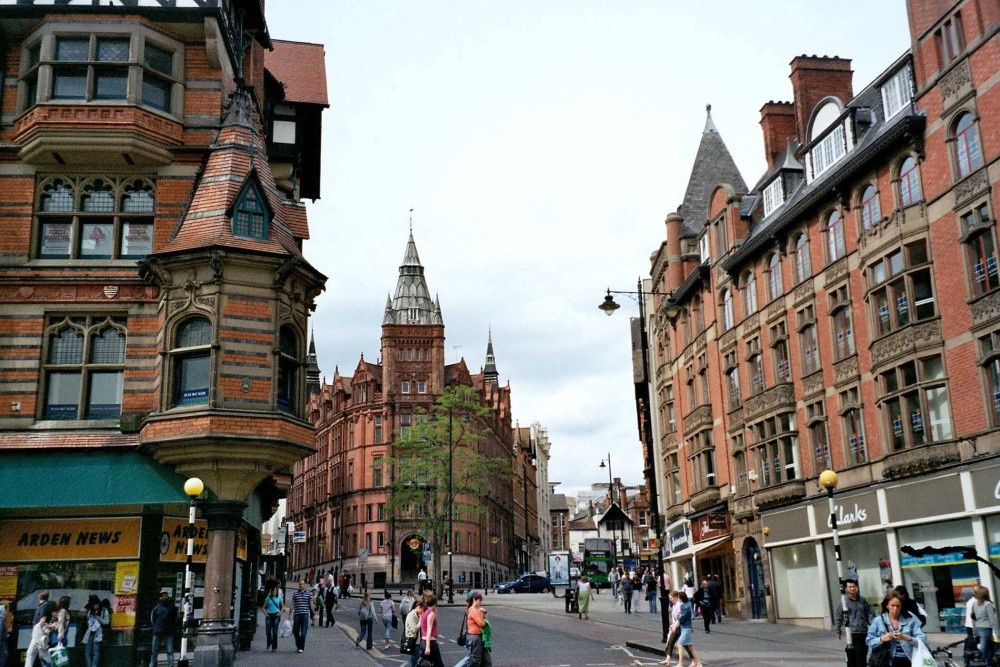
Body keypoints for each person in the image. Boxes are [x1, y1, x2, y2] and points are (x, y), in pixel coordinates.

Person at [867, 588, 928, 667]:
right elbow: (869, 641)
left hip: (908, 659)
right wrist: (881, 639)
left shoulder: (909, 620)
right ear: (887, 605)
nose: (895, 609)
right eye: (892, 605)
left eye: (898, 606)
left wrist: (906, 638)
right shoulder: (878, 620)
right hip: (887, 661)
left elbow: (923, 640)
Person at [836, 579, 873, 667]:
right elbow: (838, 616)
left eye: (854, 586)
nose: (852, 588)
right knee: (857, 655)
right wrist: (838, 630)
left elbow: (869, 613)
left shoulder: (862, 600)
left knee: (863, 653)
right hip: (852, 633)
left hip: (863, 631)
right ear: (846, 589)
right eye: (850, 587)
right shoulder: (843, 602)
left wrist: (873, 625)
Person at [971, 585, 1000, 665]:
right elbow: (992, 620)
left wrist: (974, 630)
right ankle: (981, 664)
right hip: (986, 629)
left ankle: (989, 663)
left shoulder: (974, 604)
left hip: (978, 628)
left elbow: (973, 618)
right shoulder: (988, 604)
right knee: (983, 650)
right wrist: (998, 633)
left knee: (991, 647)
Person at [149, 591, 178, 667]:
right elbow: (153, 620)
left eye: (166, 595)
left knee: (169, 651)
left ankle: (170, 665)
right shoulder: (156, 608)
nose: (164, 597)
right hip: (158, 632)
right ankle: (153, 665)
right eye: (163, 596)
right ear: (160, 597)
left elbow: (175, 619)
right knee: (154, 651)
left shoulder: (172, 608)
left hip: (168, 632)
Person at [676, 591, 703, 667]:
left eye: (678, 597)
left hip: (685, 628)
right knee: (691, 647)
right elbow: (692, 615)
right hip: (688, 627)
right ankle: (699, 663)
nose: (678, 599)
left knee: (679, 644)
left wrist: (678, 617)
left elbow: (682, 617)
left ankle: (680, 663)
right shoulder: (688, 603)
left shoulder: (683, 606)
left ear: (680, 598)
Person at [82, 594, 110, 667]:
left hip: (98, 633)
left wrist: (99, 618)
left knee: (96, 652)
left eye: (97, 605)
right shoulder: (90, 612)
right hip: (90, 633)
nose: (95, 607)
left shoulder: (104, 611)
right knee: (87, 652)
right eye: (94, 605)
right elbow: (88, 622)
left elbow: (107, 622)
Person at [465, 591, 491, 667]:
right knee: (476, 658)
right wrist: (483, 616)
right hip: (475, 637)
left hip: (479, 636)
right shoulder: (473, 610)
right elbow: (481, 623)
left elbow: (484, 620)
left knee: (485, 658)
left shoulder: (476, 610)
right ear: (474, 599)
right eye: (479, 600)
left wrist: (483, 614)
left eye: (480, 600)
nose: (480, 602)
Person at [419, 594, 445, 667]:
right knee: (439, 664)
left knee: (427, 664)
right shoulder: (431, 613)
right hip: (430, 642)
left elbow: (423, 625)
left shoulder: (424, 611)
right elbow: (429, 629)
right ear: (435, 603)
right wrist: (428, 646)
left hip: (423, 641)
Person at [290, 579, 314, 653]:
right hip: (297, 614)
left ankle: (301, 648)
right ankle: (298, 644)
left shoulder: (309, 594)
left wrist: (314, 614)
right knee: (295, 631)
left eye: (302, 584)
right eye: (300, 584)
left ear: (305, 585)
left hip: (305, 615)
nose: (301, 585)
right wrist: (289, 614)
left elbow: (311, 604)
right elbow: (292, 604)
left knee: (303, 633)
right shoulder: (295, 594)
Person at [660, 590, 683, 666]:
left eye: (671, 598)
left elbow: (679, 618)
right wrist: (672, 626)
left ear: (676, 597)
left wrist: (675, 626)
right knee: (670, 642)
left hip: (679, 628)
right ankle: (668, 659)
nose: (670, 600)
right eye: (669, 598)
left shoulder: (679, 605)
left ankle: (694, 660)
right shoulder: (674, 605)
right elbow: (674, 618)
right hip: (675, 627)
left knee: (686, 646)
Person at [261, 584, 284, 652]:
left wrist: (279, 613)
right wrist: (266, 614)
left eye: (275, 590)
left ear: (277, 591)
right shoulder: (268, 598)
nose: (274, 591)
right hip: (269, 615)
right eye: (273, 590)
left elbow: (283, 607)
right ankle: (269, 642)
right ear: (271, 591)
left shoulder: (279, 598)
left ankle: (274, 647)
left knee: (275, 631)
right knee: (268, 631)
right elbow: (263, 607)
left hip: (276, 615)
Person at [404, 598, 425, 667]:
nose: (422, 612)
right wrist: (420, 621)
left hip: (416, 642)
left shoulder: (415, 615)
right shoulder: (411, 615)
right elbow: (414, 629)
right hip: (413, 642)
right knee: (419, 662)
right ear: (419, 607)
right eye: (422, 610)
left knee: (414, 662)